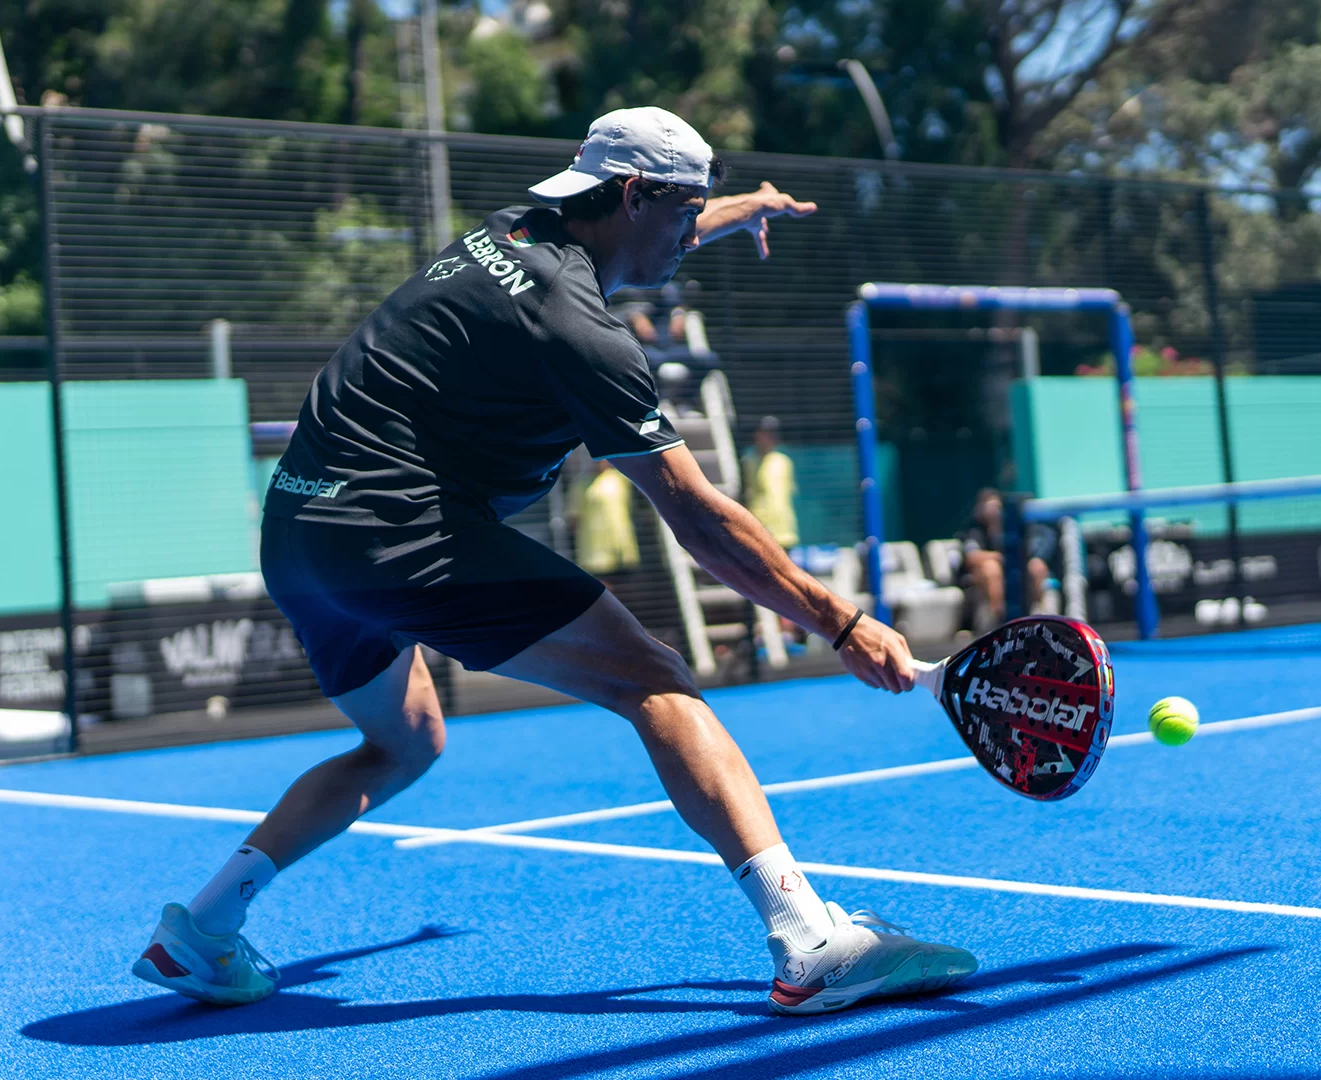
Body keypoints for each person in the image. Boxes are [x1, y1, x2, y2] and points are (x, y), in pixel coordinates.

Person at [129, 107, 976, 1016]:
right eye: (684, 210)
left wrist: (739, 209)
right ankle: (810, 942)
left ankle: (205, 927)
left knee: (405, 740)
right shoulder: (582, 332)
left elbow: (638, 247)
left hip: (301, 535)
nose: (691, 230)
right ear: (631, 194)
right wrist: (839, 621)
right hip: (398, 532)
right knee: (655, 680)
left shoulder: (510, 232)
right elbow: (694, 516)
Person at [960, 488, 1055, 625]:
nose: (994, 511)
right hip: (979, 577)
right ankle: (999, 619)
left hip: (1015, 569)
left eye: (996, 506)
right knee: (991, 568)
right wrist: (996, 557)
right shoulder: (974, 529)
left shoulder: (1013, 525)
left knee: (1037, 566)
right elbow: (971, 557)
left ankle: (1039, 616)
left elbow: (1030, 549)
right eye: (989, 507)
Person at [742, 415, 799, 548]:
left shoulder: (784, 461)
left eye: (773, 433)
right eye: (766, 432)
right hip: (759, 533)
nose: (771, 436)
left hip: (784, 533)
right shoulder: (747, 462)